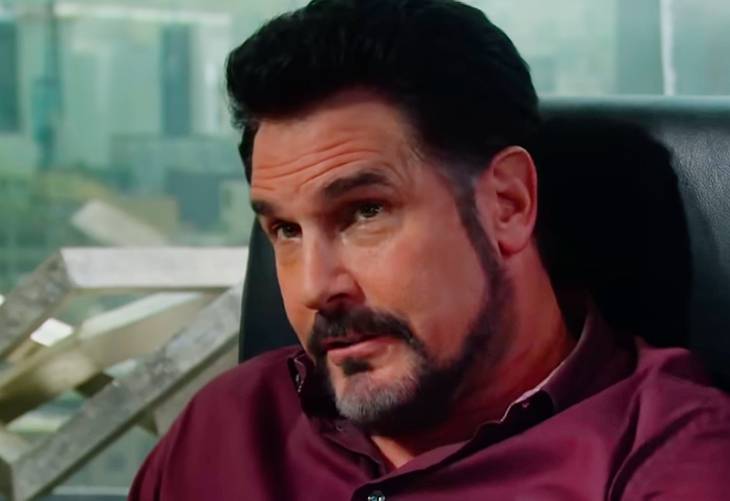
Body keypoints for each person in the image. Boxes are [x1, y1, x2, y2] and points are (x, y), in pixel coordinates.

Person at [130, 1, 730, 499]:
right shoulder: (227, 426)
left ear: (508, 204)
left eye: (365, 212)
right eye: (286, 230)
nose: (315, 287)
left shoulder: (671, 461)